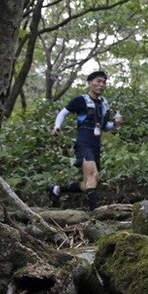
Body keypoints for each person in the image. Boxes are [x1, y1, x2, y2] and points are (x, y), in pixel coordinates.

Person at [46, 70, 123, 210]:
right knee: (92, 176)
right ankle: (93, 214)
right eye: (98, 81)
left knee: (92, 181)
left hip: (96, 144)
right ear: (90, 83)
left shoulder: (104, 103)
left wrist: (116, 124)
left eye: (104, 82)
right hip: (83, 142)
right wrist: (57, 126)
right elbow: (63, 113)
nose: (102, 85)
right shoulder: (81, 100)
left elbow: (105, 126)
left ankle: (56, 190)